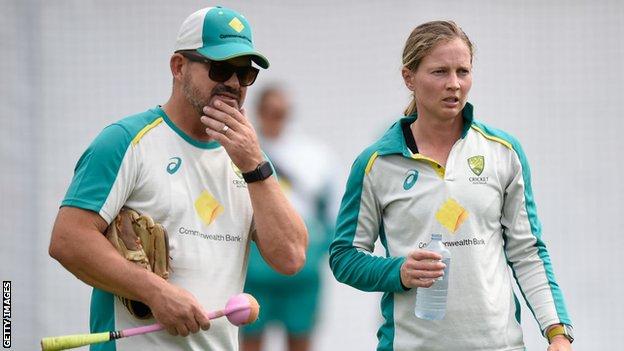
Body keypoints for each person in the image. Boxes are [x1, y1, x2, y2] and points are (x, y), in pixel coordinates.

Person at [48, 6, 307, 351]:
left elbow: (290, 257)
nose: (233, 83)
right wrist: (154, 290)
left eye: (245, 74)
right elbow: (68, 240)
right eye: (220, 68)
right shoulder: (125, 141)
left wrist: (255, 163)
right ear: (178, 67)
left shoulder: (249, 159)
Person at [329, 20, 573, 351]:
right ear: (409, 77)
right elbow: (345, 257)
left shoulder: (504, 152)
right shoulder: (375, 163)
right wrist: (398, 271)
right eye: (440, 72)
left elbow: (527, 251)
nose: (454, 84)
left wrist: (557, 332)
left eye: (463, 71)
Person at [241, 87, 339, 351]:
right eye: (271, 112)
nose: (276, 118)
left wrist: (324, 252)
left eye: (282, 113)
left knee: (301, 338)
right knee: (249, 338)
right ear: (259, 112)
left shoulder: (316, 155)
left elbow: (331, 211)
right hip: (255, 269)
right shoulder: (240, 151)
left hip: (302, 271)